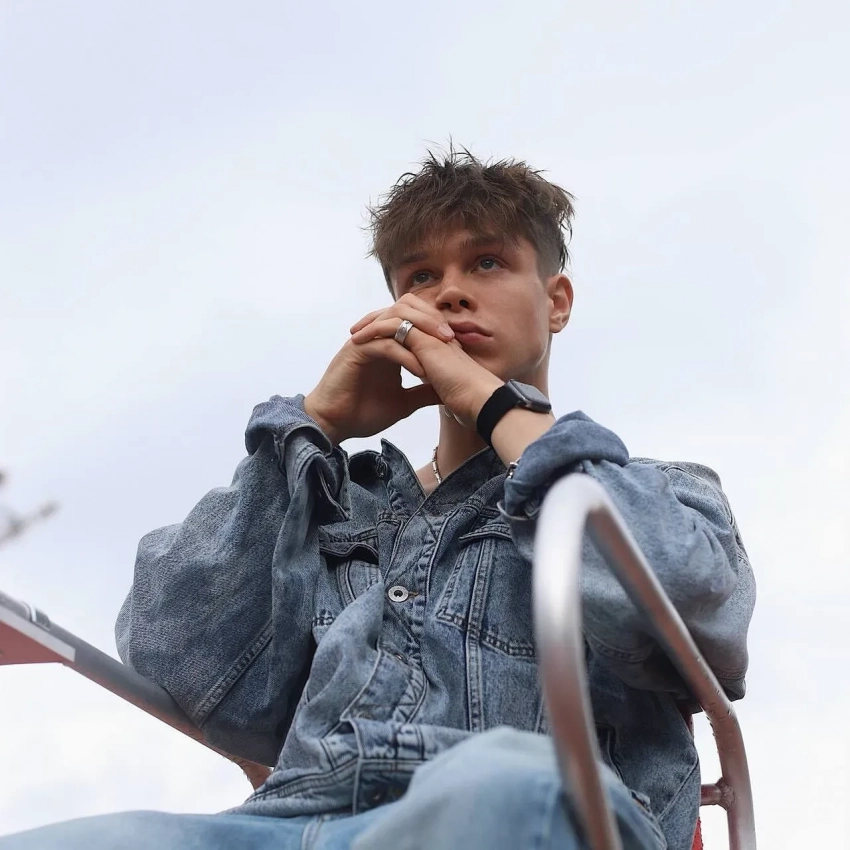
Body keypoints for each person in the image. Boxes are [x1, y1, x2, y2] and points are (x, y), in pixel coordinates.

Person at [2, 150, 755, 849]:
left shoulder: (654, 491)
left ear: (556, 301)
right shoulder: (338, 507)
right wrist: (310, 427)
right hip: (300, 821)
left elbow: (696, 604)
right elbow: (175, 655)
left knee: (508, 781)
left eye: (487, 262)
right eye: (420, 276)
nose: (450, 291)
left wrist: (497, 409)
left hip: (534, 806)